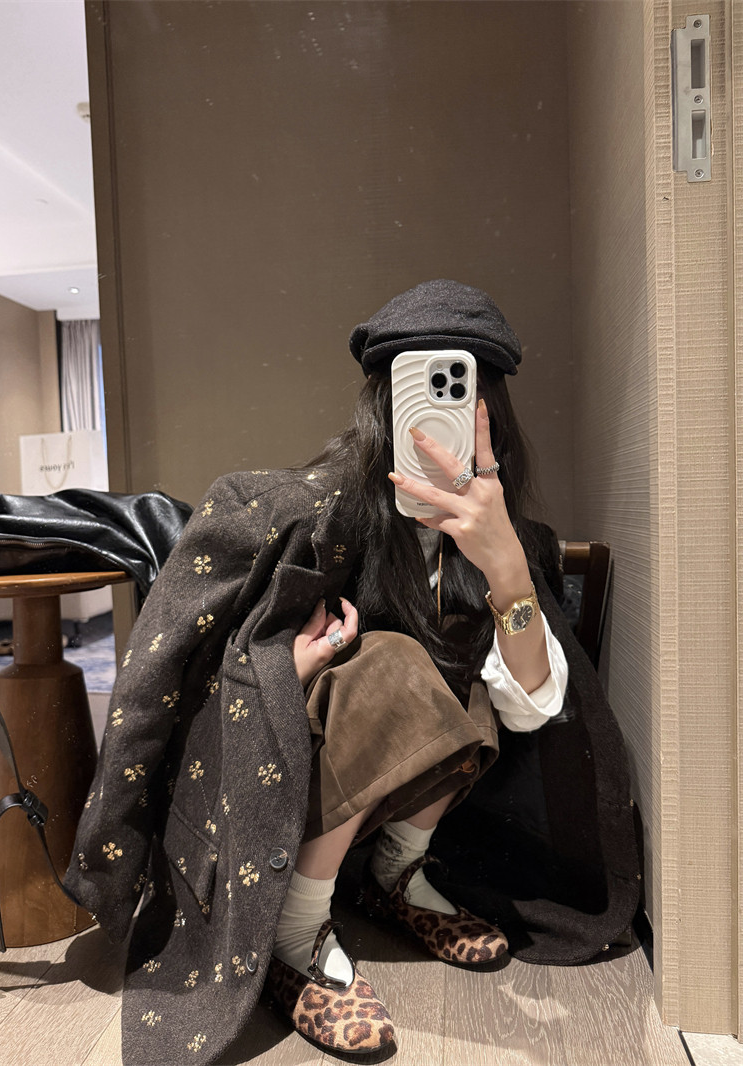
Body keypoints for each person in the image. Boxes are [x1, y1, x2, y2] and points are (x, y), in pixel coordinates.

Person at [65, 281, 639, 1066]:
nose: (438, 417)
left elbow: (530, 710)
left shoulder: (510, 537)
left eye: (461, 392)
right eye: (419, 391)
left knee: (465, 680)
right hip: (282, 792)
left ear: (492, 414)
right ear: (383, 404)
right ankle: (295, 933)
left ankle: (395, 875)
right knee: (396, 668)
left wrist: (507, 568)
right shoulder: (301, 514)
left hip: (404, 803)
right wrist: (281, 668)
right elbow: (172, 672)